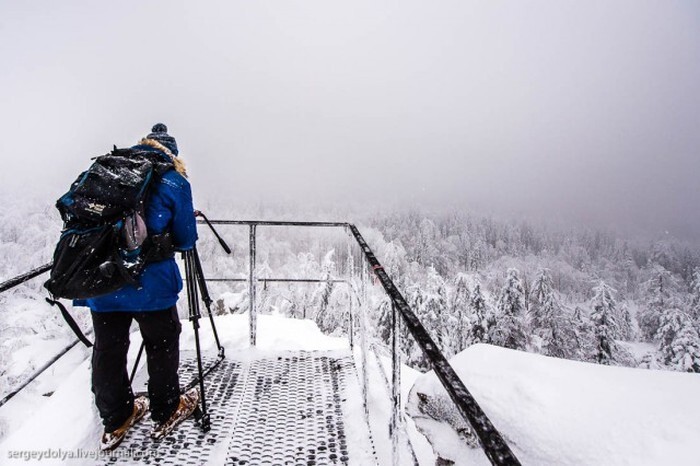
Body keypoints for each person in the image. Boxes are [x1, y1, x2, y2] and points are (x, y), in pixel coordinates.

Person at [75, 123, 199, 451]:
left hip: (102, 283)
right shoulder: (173, 180)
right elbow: (186, 239)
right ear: (171, 153)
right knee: (161, 343)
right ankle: (167, 408)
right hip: (151, 286)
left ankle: (116, 420)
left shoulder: (107, 173)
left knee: (109, 351)